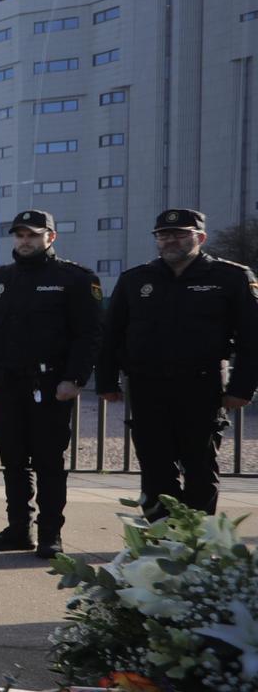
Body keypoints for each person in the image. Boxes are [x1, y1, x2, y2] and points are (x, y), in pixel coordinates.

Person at [0, 210, 100, 558]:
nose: (25, 241)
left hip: (50, 386)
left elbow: (89, 335)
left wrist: (75, 378)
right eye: (20, 235)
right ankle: (19, 528)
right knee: (14, 461)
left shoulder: (74, 279)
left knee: (49, 461)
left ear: (51, 237)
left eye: (33, 235)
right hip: (3, 385)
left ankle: (50, 533)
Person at [98, 208, 258, 518]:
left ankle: (195, 543)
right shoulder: (136, 279)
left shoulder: (231, 277)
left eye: (180, 234)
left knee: (199, 467)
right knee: (155, 467)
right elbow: (112, 335)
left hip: (202, 387)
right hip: (147, 387)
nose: (171, 240)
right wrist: (106, 381)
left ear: (200, 237)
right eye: (164, 235)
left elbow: (252, 339)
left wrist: (242, 388)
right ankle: (159, 541)